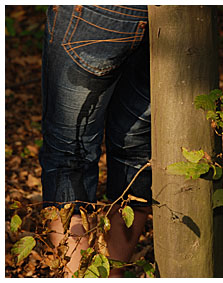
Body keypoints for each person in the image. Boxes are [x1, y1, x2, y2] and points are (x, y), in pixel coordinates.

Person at [39, 5, 152, 278]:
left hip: (95, 13)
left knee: (69, 154)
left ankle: (79, 275)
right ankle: (112, 275)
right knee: (134, 150)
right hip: (168, 14)